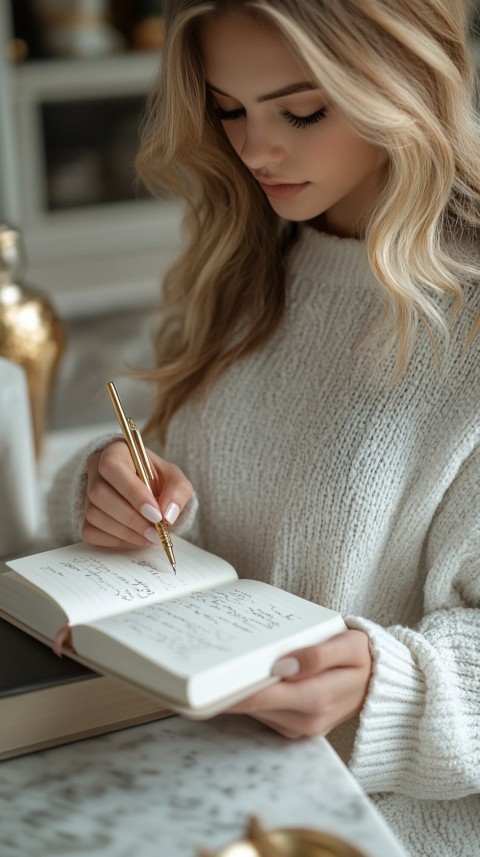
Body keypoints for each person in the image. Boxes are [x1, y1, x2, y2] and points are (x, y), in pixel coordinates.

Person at [47, 1, 480, 854]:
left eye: (302, 110)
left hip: (361, 822)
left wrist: (387, 687)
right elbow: (190, 502)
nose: (255, 150)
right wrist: (105, 492)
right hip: (180, 773)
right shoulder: (246, 265)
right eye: (228, 108)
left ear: (407, 85)